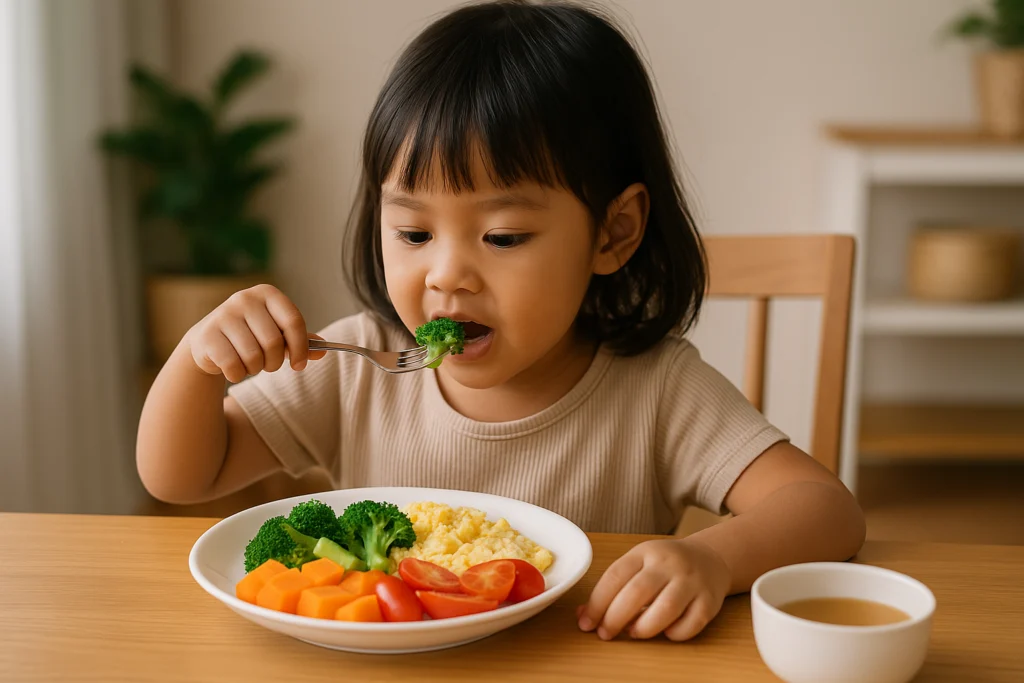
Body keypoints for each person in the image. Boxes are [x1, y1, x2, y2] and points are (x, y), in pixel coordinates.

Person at [137, 0, 865, 642]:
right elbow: (179, 475)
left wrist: (715, 556)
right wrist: (197, 364)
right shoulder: (359, 362)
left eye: (505, 236)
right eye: (414, 234)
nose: (446, 273)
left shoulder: (658, 390)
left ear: (613, 233)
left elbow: (826, 508)